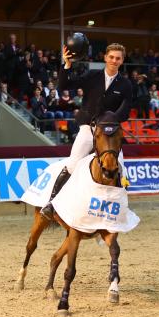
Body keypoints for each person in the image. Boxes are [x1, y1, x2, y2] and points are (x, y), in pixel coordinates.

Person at [40, 42, 132, 220]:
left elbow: (125, 110)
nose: (114, 60)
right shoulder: (92, 76)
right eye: (111, 57)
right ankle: (51, 204)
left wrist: (109, 122)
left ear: (122, 61)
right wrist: (67, 65)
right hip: (89, 128)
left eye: (118, 58)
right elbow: (63, 86)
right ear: (105, 58)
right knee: (73, 164)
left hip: (110, 133)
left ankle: (118, 211)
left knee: (121, 170)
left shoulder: (126, 84)